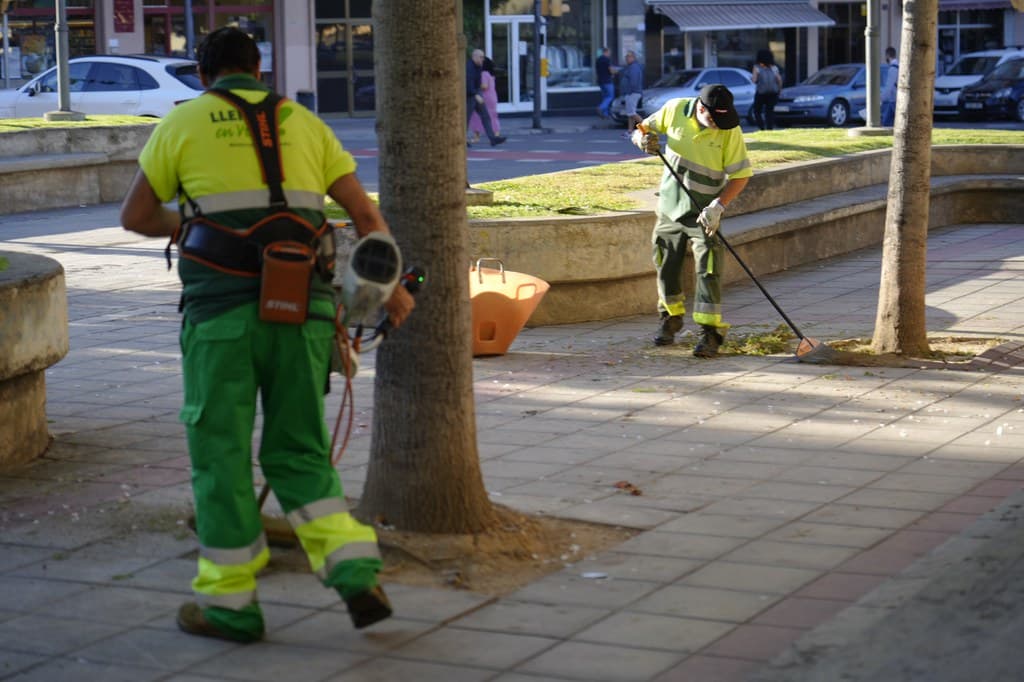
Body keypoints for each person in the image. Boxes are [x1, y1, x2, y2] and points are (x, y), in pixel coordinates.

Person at [119, 27, 415, 643]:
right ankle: (354, 570)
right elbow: (366, 218)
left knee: (221, 453)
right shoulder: (306, 124)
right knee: (299, 450)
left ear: (204, 76)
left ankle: (231, 604)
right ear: (260, 70)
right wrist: (381, 296)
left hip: (221, 317)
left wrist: (197, 221)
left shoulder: (182, 123)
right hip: (302, 313)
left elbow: (137, 216)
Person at [631, 83, 752, 357]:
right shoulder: (674, 109)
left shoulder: (729, 130)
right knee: (665, 263)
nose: (718, 126)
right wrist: (642, 141)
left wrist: (719, 206)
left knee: (709, 268)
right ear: (700, 108)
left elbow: (741, 175)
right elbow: (642, 130)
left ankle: (711, 333)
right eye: (713, 119)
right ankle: (670, 319)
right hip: (669, 207)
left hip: (703, 213)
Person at [467, 48, 506, 147]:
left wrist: (479, 94)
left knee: (486, 116)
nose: (482, 59)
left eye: (483, 57)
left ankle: (493, 139)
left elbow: (478, 82)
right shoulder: (469, 67)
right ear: (474, 57)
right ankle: (462, 140)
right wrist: (476, 94)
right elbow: (468, 83)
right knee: (466, 119)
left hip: (477, 94)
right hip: (470, 96)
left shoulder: (479, 67)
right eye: (480, 57)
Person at [751, 48, 782, 130]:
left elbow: (754, 80)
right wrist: (779, 90)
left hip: (761, 93)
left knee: (757, 111)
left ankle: (761, 127)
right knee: (769, 111)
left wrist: (753, 78)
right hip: (773, 93)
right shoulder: (774, 68)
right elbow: (779, 80)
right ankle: (770, 128)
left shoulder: (756, 67)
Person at [619, 50, 644, 128]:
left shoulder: (634, 68)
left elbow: (634, 81)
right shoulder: (630, 67)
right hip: (630, 92)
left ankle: (647, 129)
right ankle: (630, 131)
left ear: (633, 57)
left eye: (629, 57)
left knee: (632, 113)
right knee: (630, 113)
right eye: (626, 57)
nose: (627, 58)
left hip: (633, 93)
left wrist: (630, 91)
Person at [595, 47, 617, 119]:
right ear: (606, 52)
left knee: (605, 97)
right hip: (607, 81)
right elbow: (610, 70)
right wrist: (615, 72)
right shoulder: (607, 60)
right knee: (610, 96)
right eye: (609, 52)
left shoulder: (598, 60)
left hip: (600, 81)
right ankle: (601, 108)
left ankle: (605, 114)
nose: (610, 54)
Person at [881, 46, 899, 127]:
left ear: (887, 56)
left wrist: (881, 98)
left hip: (894, 100)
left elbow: (889, 86)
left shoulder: (893, 69)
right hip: (896, 99)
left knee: (886, 123)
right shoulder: (899, 66)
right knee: (888, 122)